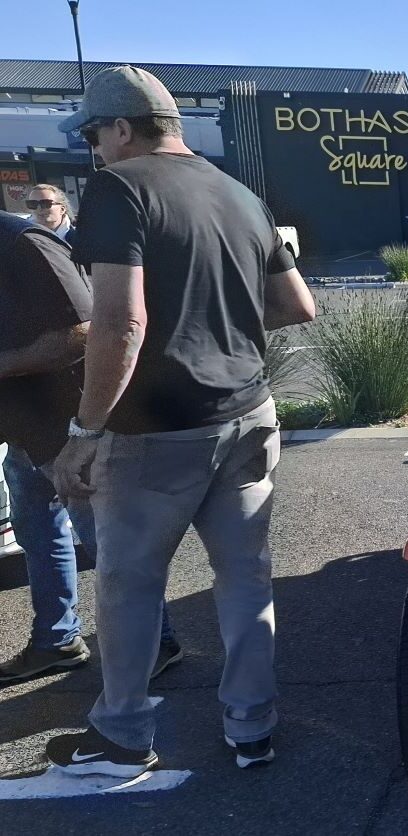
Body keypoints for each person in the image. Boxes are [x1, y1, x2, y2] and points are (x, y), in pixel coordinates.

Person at [46, 65, 315, 779]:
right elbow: (297, 307)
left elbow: (119, 321)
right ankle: (252, 728)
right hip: (248, 414)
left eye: (96, 134)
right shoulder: (238, 193)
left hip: (154, 432)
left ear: (124, 128)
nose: (94, 150)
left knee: (131, 584)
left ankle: (123, 738)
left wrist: (85, 433)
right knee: (246, 579)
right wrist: (215, 324)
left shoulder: (118, 188)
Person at [0, 210, 181, 684]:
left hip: (70, 426)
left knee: (107, 541)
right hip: (24, 432)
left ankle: (154, 643)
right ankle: (56, 640)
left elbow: (84, 331)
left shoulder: (21, 242)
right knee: (39, 535)